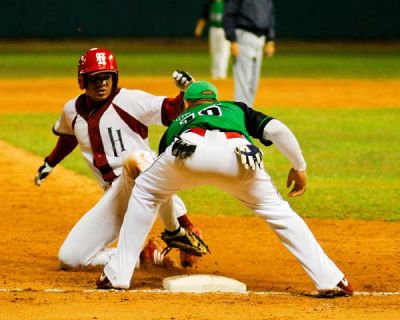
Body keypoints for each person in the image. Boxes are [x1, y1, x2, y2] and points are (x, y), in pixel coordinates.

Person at [97, 81, 354, 298]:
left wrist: (173, 220)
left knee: (145, 191)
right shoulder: (234, 108)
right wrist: (299, 166)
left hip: (185, 151)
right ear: (215, 100)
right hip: (241, 156)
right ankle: (330, 279)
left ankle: (118, 274)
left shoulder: (180, 120)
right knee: (280, 213)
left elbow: (162, 174)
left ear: (187, 104)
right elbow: (276, 129)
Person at [33, 47, 201, 270]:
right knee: (70, 259)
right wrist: (50, 162)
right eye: (95, 78)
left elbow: (171, 110)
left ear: (114, 78)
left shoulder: (130, 100)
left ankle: (179, 231)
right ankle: (145, 255)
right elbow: (68, 136)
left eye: (106, 77)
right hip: (114, 195)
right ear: (82, 81)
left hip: (143, 185)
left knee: (140, 160)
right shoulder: (71, 110)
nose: (102, 83)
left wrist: (185, 93)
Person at [223, 0, 276, 107]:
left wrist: (270, 39)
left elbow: (270, 17)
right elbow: (228, 16)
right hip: (243, 36)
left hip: (260, 39)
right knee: (243, 82)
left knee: (253, 84)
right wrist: (232, 40)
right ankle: (241, 114)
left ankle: (248, 113)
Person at [194, 0, 231, 80]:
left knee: (224, 52)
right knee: (214, 52)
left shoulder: (227, 3)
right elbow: (204, 16)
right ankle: (215, 75)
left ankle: (222, 75)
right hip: (213, 29)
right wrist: (199, 27)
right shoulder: (210, 3)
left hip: (225, 29)